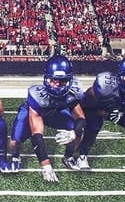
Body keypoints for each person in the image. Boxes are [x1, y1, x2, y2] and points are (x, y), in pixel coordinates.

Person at [9, 54, 86, 182]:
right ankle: (16, 157)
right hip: (35, 112)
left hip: (56, 113)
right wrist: (46, 165)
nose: (57, 85)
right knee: (15, 142)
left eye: (61, 81)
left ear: (69, 80)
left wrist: (74, 132)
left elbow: (81, 118)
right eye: (53, 80)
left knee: (79, 133)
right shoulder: (37, 96)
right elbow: (37, 134)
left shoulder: (74, 91)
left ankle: (68, 157)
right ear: (46, 78)